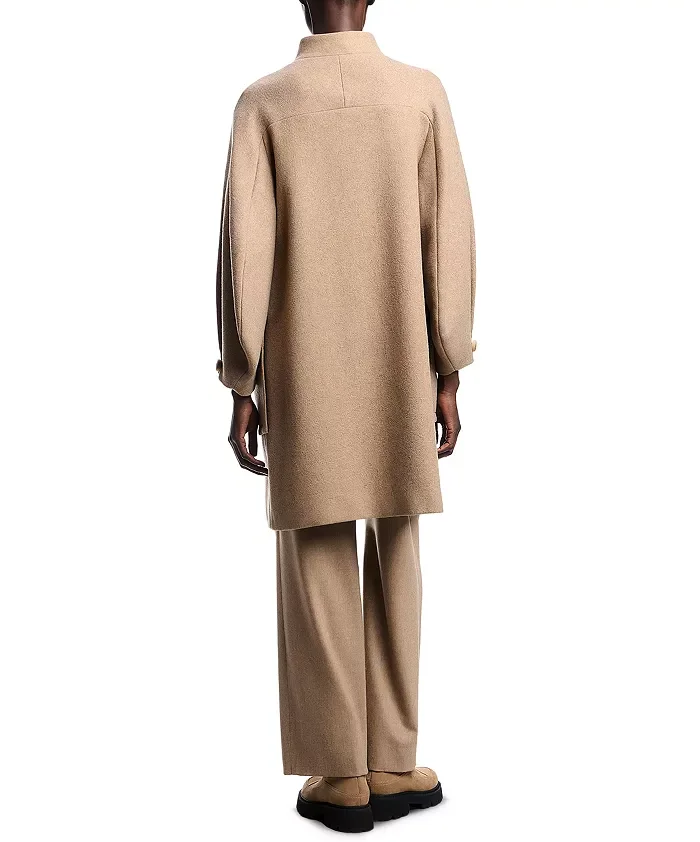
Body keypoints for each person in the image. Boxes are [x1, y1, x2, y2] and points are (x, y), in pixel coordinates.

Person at [216, 0, 476, 832]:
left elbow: (245, 254)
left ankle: (340, 774)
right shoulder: (420, 92)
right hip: (401, 359)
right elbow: (448, 240)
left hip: (305, 365)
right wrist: (449, 365)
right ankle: (394, 759)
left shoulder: (264, 103)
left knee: (318, 549)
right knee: (398, 544)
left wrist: (242, 379)